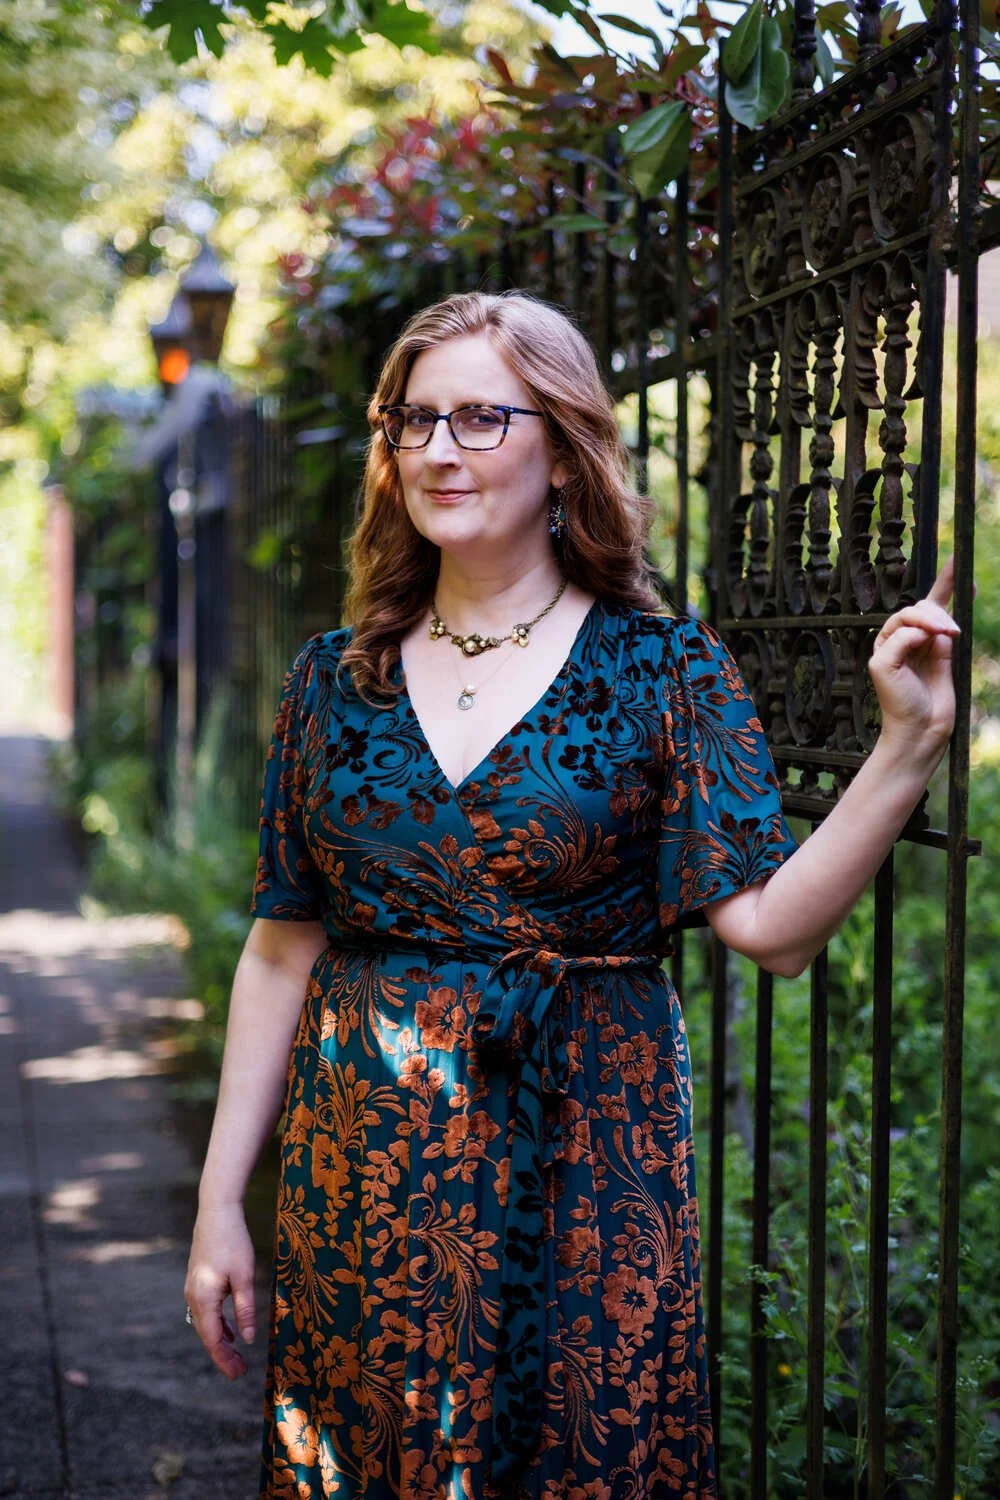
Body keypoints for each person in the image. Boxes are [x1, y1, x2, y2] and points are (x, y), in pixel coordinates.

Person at [184, 290, 958, 1500]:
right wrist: (221, 1201)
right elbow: (282, 950)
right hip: (364, 1165)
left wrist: (904, 748)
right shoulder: (333, 680)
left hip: (586, 1153)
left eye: (481, 418)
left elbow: (773, 932)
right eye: (414, 420)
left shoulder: (663, 667)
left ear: (563, 445)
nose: (439, 450)